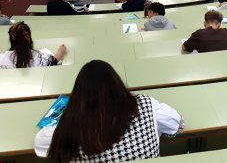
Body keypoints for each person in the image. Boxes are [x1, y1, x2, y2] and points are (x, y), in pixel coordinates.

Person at [35, 60, 184, 162]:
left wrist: (69, 118)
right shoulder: (145, 104)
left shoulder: (73, 128)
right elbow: (175, 122)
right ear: (118, 85)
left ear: (80, 97)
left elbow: (40, 142)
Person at [0, 22, 66, 69]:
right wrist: (60, 52)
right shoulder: (39, 57)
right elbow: (53, 61)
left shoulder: (2, 59)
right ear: (29, 36)